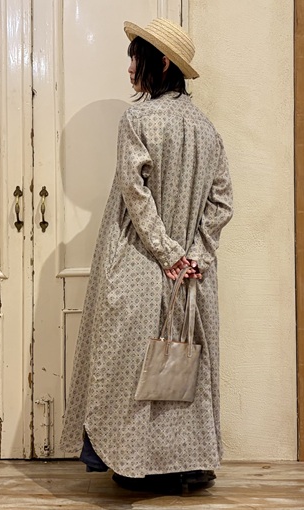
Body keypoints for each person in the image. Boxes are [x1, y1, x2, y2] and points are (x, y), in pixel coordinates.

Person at [59, 17, 233, 493]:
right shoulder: (207, 129)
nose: (130, 67)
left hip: (138, 263)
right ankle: (185, 466)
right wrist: (194, 257)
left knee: (131, 370)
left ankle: (135, 465)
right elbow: (222, 203)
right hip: (190, 276)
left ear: (162, 62)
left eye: (136, 57)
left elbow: (135, 195)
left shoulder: (137, 120)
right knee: (181, 367)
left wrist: (166, 252)